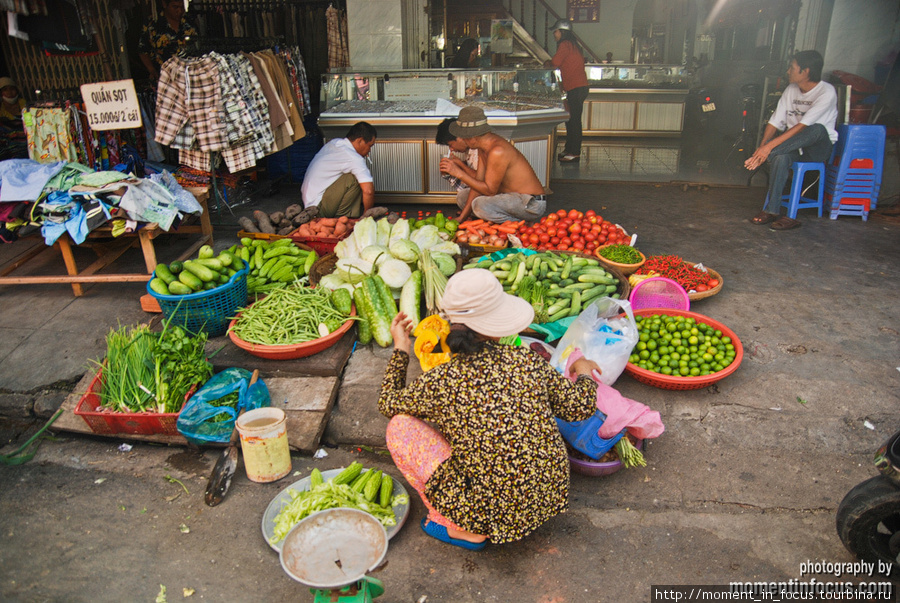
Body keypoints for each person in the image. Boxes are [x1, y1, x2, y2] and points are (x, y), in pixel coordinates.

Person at [378, 269, 600, 549]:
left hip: (489, 514)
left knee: (399, 426)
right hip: (547, 495)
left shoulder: (441, 380)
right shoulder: (525, 360)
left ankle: (464, 529)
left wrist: (401, 348)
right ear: (497, 325)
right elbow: (579, 407)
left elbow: (387, 402)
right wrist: (584, 372)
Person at [746, 50, 838, 231]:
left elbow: (803, 126)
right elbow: (775, 121)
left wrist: (768, 150)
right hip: (793, 147)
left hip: (817, 149)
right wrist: (763, 146)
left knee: (816, 129)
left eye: (792, 68)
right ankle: (771, 211)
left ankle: (771, 154)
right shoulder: (791, 90)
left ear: (806, 71)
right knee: (780, 158)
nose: (788, 71)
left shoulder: (826, 92)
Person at [438, 106, 546, 223]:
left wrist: (459, 173)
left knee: (480, 205)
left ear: (473, 137)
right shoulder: (482, 147)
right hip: (508, 196)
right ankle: (493, 217)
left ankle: (520, 225)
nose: (464, 142)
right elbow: (478, 183)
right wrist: (461, 218)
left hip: (530, 203)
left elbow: (490, 191)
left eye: (464, 138)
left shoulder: (497, 151)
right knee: (463, 197)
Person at [301, 121, 377, 218]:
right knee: (354, 179)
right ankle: (343, 219)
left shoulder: (335, 143)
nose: (369, 150)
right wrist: (368, 216)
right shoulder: (352, 157)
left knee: (353, 175)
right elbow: (368, 191)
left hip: (310, 204)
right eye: (370, 146)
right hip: (317, 209)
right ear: (360, 141)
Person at [544, 19, 589, 163]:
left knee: (574, 121)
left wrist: (547, 63)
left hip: (576, 88)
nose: (554, 34)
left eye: (555, 31)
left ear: (562, 32)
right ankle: (569, 149)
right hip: (577, 87)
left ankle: (574, 153)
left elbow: (555, 62)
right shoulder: (573, 45)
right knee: (571, 120)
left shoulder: (565, 44)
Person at [138, 0, 199, 81]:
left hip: (189, 76)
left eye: (181, 7)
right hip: (164, 77)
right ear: (164, 4)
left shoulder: (189, 23)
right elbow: (143, 50)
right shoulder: (152, 24)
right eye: (175, 7)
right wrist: (152, 70)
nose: (179, 11)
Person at [435, 117, 482, 209]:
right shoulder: (468, 148)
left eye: (450, 145)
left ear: (460, 137)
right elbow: (472, 166)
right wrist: (455, 165)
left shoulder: (479, 148)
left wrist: (460, 165)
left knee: (463, 198)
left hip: (494, 192)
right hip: (478, 189)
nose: (451, 149)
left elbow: (481, 179)